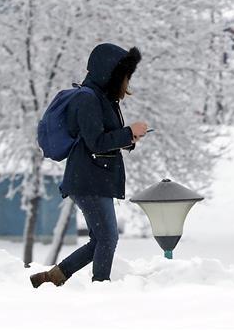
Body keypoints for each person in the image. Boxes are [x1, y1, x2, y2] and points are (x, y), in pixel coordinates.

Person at [30, 43, 150, 287]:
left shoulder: (103, 99)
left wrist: (129, 139)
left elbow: (100, 138)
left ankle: (53, 277)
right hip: (88, 180)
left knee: (100, 238)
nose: (128, 83)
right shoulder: (88, 99)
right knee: (108, 237)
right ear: (110, 73)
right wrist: (128, 133)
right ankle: (100, 287)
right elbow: (95, 142)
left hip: (96, 179)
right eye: (125, 76)